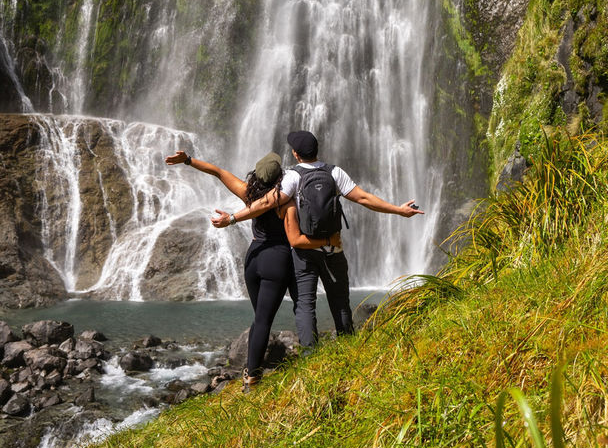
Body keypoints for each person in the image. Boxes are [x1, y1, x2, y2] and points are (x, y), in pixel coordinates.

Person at [211, 131, 424, 349]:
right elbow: (363, 198)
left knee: (305, 304)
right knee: (340, 300)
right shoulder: (334, 172)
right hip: (333, 247)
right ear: (317, 151)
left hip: (305, 251)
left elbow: (266, 203)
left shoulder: (292, 177)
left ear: (295, 154)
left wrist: (232, 218)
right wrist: (398, 210)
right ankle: (349, 348)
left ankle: (309, 355)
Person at [165, 148, 340, 390]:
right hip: (276, 261)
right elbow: (296, 238)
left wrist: (187, 160)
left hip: (253, 260)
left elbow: (218, 172)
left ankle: (252, 374)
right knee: (283, 313)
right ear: (280, 176)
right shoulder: (285, 202)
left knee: (260, 319)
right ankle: (260, 376)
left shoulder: (249, 195)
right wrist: (329, 240)